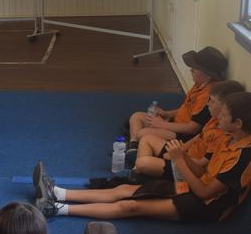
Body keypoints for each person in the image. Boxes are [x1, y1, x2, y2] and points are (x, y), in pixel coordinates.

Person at [34, 91, 251, 223]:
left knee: (130, 206)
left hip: (206, 206)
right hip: (193, 185)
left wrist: (178, 161)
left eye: (223, 115)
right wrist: (183, 157)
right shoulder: (228, 137)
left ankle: (57, 209)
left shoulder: (242, 157)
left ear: (238, 123)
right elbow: (203, 171)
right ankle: (57, 192)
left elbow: (204, 193)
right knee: (124, 190)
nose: (218, 118)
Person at [126, 46, 228, 156]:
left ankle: (144, 147)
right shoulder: (200, 83)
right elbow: (187, 107)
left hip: (182, 134)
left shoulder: (208, 96)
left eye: (194, 70)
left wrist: (162, 125)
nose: (190, 71)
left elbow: (192, 129)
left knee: (143, 133)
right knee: (136, 117)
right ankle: (134, 147)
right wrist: (166, 113)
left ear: (206, 74)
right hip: (174, 123)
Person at [133, 80, 245, 179]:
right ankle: (136, 175)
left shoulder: (222, 135)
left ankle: (143, 175)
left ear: (224, 106)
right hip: (183, 154)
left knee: (143, 162)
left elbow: (201, 166)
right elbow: (197, 137)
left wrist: (178, 157)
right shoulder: (213, 120)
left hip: (189, 167)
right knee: (146, 139)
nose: (208, 103)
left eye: (212, 101)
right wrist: (181, 150)